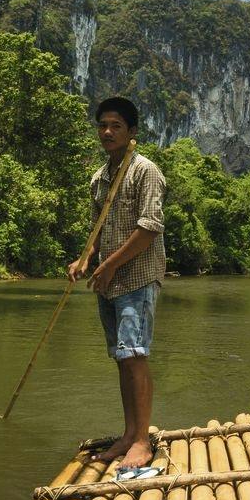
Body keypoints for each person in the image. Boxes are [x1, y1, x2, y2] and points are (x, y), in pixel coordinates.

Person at [69, 96, 166, 471]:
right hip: (109, 281)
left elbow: (149, 229)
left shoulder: (146, 172)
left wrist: (107, 265)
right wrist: (85, 260)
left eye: (116, 126)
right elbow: (96, 231)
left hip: (137, 278)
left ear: (131, 132)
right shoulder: (99, 178)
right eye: (103, 125)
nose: (107, 132)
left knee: (135, 354)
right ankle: (128, 434)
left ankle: (142, 440)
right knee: (122, 358)